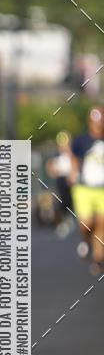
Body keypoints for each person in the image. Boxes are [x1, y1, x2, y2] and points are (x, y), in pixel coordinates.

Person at [70, 105, 104, 276]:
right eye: (95, 121)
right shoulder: (82, 140)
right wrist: (73, 171)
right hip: (84, 188)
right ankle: (86, 240)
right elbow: (73, 157)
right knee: (86, 223)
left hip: (102, 190)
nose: (98, 125)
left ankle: (98, 259)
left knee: (101, 224)